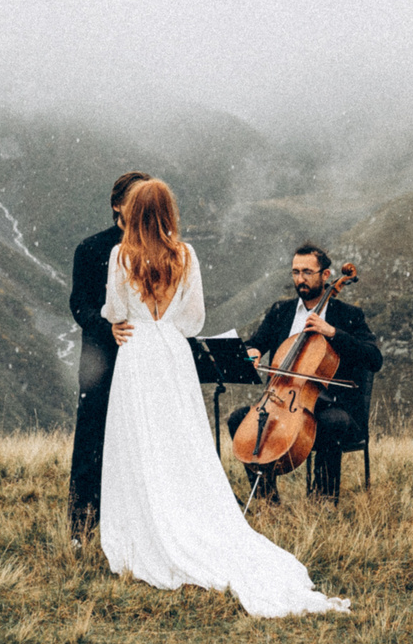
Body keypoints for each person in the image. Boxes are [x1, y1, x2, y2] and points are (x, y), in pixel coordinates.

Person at [95, 179, 349, 617]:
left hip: (136, 352)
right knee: (179, 441)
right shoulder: (185, 255)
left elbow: (115, 311)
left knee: (138, 441)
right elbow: (193, 320)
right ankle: (187, 515)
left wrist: (121, 319)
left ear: (131, 212)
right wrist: (166, 323)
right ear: (168, 211)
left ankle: (144, 529)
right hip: (173, 352)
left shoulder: (121, 255)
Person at [227, 244, 383, 503]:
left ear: (326, 275)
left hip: (333, 405)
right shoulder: (281, 312)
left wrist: (332, 332)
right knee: (239, 420)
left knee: (331, 422)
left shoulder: (348, 315)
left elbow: (374, 358)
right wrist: (253, 351)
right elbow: (254, 343)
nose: (300, 279)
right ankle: (267, 500)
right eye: (296, 272)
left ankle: (322, 503)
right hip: (281, 402)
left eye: (307, 272)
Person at [66, 170, 152, 542]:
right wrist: (107, 326)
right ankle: (81, 525)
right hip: (100, 358)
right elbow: (79, 304)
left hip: (143, 357)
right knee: (92, 437)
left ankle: (135, 524)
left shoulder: (158, 247)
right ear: (117, 205)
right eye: (135, 201)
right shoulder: (91, 249)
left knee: (140, 439)